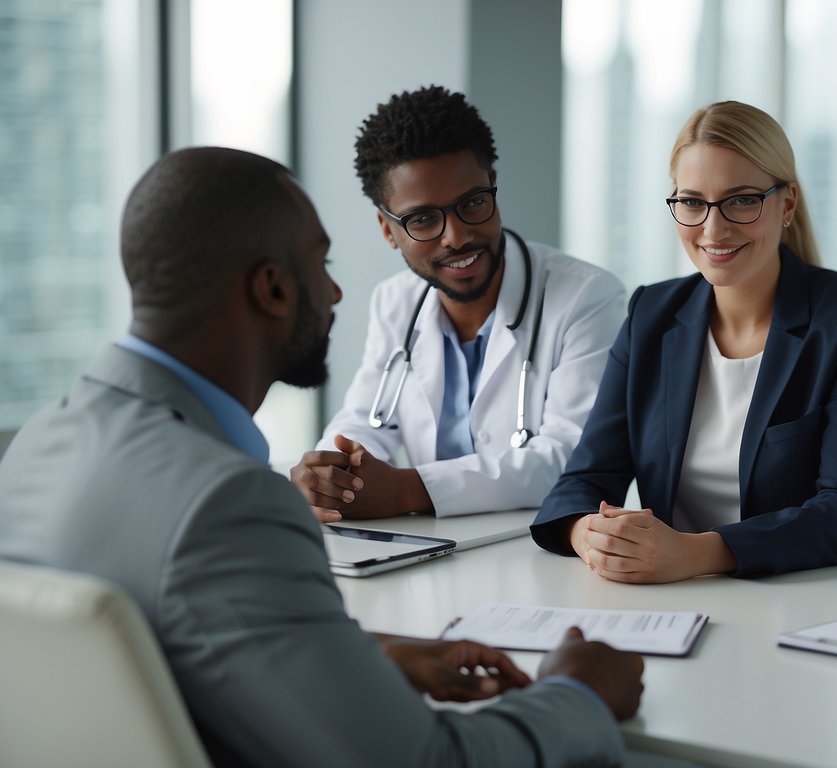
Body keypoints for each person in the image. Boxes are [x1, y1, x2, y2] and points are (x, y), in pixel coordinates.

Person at [0, 147, 644, 767]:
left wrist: (361, 654)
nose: (335, 292)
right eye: (321, 263)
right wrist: (576, 693)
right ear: (274, 290)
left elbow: (161, 652)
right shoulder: (231, 505)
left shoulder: (35, 447)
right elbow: (430, 761)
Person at [531, 101, 837, 583]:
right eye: (691, 202)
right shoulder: (651, 315)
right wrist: (588, 534)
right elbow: (585, 477)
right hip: (689, 591)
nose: (713, 228)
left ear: (786, 203)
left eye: (742, 200)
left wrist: (694, 554)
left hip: (822, 586)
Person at [291, 86, 625, 521]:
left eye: (472, 203)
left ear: (493, 189)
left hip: (539, 550)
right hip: (430, 550)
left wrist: (407, 491)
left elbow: (569, 457)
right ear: (388, 230)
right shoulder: (395, 302)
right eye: (423, 218)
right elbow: (363, 423)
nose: (457, 236)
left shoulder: (586, 297)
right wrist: (329, 473)